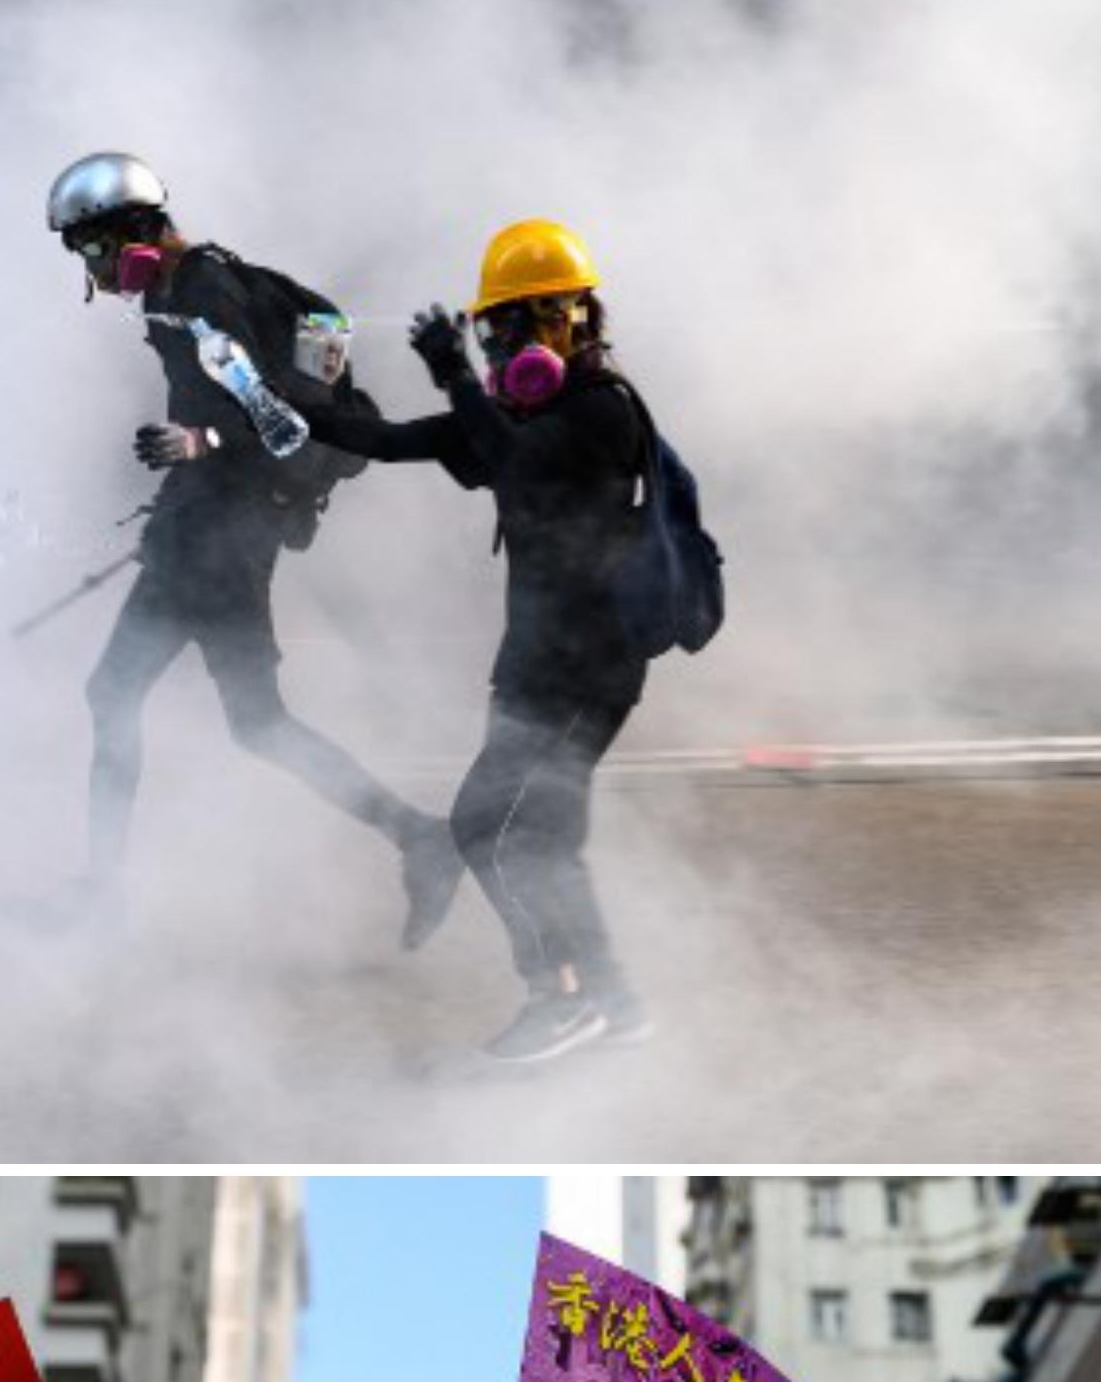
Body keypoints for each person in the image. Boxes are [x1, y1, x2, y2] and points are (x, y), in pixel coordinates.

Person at [39, 151, 459, 933]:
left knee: (249, 722)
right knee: (155, 703)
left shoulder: (203, 290)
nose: (93, 270)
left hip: (224, 543)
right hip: (197, 532)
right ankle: (101, 894)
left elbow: (270, 415)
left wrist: (195, 446)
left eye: (93, 248)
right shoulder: (172, 294)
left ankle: (420, 837)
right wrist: (170, 508)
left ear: (137, 231)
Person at [301, 217, 680, 1062]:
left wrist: (456, 377)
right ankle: (610, 1004)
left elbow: (524, 469)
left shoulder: (603, 411)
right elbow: (398, 441)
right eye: (494, 329)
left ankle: (563, 999)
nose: (507, 347)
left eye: (519, 326)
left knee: (509, 830)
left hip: (590, 672)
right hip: (536, 670)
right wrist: (290, 408)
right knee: (516, 835)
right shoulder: (514, 417)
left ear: (572, 322)